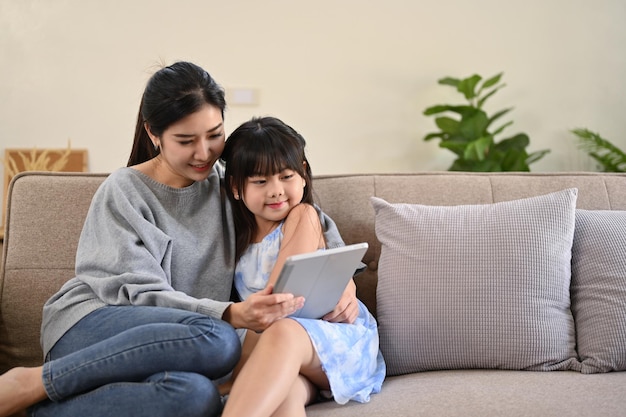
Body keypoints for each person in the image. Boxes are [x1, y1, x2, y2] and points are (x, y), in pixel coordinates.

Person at [0, 62, 350, 417]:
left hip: (181, 340)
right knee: (218, 340)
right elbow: (138, 295)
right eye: (186, 141)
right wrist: (228, 313)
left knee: (196, 396)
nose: (204, 153)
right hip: (93, 325)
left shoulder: (231, 183)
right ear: (154, 134)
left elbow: (302, 216)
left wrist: (344, 284)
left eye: (214, 135)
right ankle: (38, 382)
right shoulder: (125, 191)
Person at [218, 116, 385, 417]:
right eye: (260, 181)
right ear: (235, 187)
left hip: (338, 338)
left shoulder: (303, 216)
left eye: (286, 176)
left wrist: (231, 381)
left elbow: (279, 304)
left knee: (281, 328)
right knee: (284, 398)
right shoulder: (235, 237)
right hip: (291, 354)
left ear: (303, 174)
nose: (276, 190)